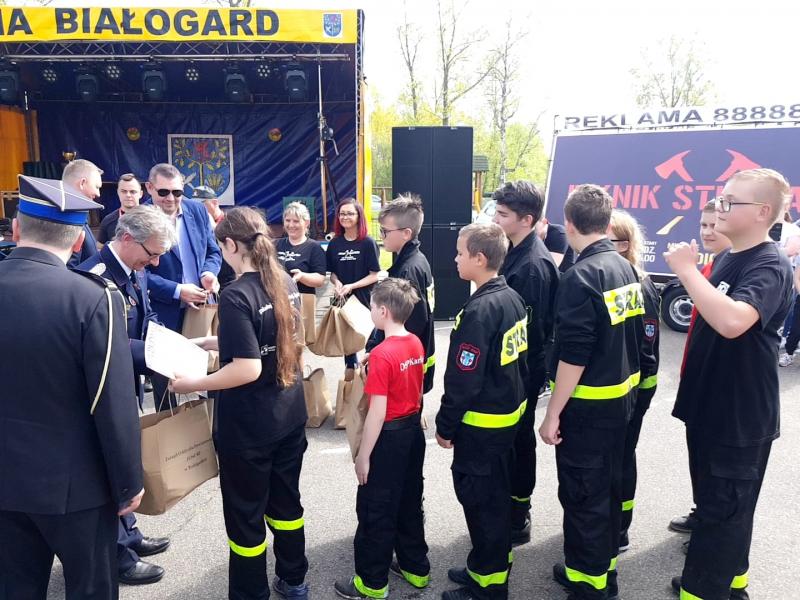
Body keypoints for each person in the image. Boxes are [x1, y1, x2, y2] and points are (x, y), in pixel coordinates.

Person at [0, 174, 144, 599]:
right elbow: (112, 402)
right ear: (79, 241)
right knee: (91, 589)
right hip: (77, 485)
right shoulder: (94, 298)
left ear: (17, 229)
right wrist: (128, 481)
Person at [665, 169, 794, 600]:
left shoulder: (769, 264)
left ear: (762, 213)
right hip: (711, 407)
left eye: (729, 202)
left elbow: (734, 321)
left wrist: (685, 271)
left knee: (724, 512)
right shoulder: (729, 256)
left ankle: (704, 591)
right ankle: (729, 582)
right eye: (720, 199)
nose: (719, 208)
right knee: (720, 508)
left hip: (739, 417)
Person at [171, 207, 309, 600]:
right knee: (286, 503)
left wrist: (190, 384)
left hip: (250, 427)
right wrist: (208, 342)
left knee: (246, 515)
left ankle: (251, 592)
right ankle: (294, 579)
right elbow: (273, 337)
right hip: (289, 413)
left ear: (231, 245)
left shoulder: (235, 295)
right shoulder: (283, 281)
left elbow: (247, 368)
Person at [540, 184, 643, 600]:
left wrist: (552, 415)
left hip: (589, 407)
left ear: (568, 224)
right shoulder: (624, 268)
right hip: (620, 401)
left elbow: (574, 354)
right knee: (606, 491)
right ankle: (600, 572)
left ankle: (588, 585)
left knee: (583, 497)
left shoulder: (581, 274)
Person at [78, 206, 176, 586]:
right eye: (150, 254)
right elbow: (110, 345)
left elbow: (146, 320)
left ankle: (130, 534)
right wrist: (157, 357)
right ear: (126, 238)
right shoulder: (93, 278)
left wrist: (172, 344)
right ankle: (118, 554)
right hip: (102, 392)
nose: (153, 263)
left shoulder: (136, 272)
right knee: (107, 469)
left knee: (123, 460)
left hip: (126, 385)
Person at [436, 223, 529, 600]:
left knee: (482, 505)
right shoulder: (510, 298)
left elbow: (464, 380)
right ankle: (484, 564)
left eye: (460, 253)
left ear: (479, 258)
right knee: (495, 501)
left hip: (482, 428)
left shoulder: (480, 310)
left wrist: (445, 425)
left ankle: (488, 586)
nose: (454, 259)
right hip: (505, 422)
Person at [335, 278, 430, 600]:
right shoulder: (415, 343)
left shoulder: (382, 354)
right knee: (409, 500)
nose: (370, 310)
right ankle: (416, 567)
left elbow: (377, 412)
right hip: (412, 432)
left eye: (373, 306)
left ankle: (371, 583)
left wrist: (363, 456)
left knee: (376, 508)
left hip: (388, 437)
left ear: (384, 311)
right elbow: (414, 385)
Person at [492, 181, 559, 546]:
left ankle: (518, 514)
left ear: (527, 219)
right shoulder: (514, 251)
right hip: (515, 369)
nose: (495, 219)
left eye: (503, 215)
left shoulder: (531, 266)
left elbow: (524, 334)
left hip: (522, 372)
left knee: (518, 441)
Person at [669, 198, 731, 537]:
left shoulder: (726, 268)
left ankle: (708, 525)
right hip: (696, 376)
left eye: (715, 224)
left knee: (712, 461)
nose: (708, 231)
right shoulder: (711, 266)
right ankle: (701, 511)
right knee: (698, 453)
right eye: (704, 225)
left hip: (717, 387)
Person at [608, 210, 660, 554]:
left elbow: (646, 345)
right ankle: (607, 521)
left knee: (623, 455)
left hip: (635, 386)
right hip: (621, 384)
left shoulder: (640, 284)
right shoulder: (610, 278)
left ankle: (620, 528)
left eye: (606, 241)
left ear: (625, 245)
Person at [365, 195, 436, 394]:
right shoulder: (416, 261)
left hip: (404, 363)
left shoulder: (408, 271)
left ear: (406, 233)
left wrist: (378, 349)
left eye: (385, 231)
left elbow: (410, 323)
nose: (381, 236)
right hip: (412, 359)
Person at [144, 163, 222, 332]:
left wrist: (208, 273)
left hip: (201, 309)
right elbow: (137, 272)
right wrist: (177, 291)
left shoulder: (198, 210)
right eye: (163, 192)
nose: (171, 198)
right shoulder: (138, 219)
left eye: (177, 192)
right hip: (161, 313)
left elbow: (213, 251)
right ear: (149, 188)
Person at [326, 198, 380, 368]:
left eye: (350, 213)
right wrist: (337, 283)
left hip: (364, 299)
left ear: (359, 216)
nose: (345, 217)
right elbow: (331, 273)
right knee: (348, 345)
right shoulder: (334, 243)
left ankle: (370, 374)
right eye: (342, 213)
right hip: (342, 298)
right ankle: (351, 379)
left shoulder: (367, 243)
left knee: (369, 339)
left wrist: (352, 285)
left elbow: (375, 275)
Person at [276, 202, 327, 344]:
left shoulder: (314, 248)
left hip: (302, 301)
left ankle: (299, 368)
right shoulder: (276, 244)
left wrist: (302, 276)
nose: (291, 225)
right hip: (277, 299)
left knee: (297, 345)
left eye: (296, 221)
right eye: (288, 220)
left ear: (306, 223)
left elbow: (320, 279)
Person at [63, 158, 103, 268]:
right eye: (97, 187)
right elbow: (69, 270)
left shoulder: (74, 214)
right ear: (82, 183)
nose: (98, 194)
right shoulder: (69, 220)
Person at [97, 173, 144, 245]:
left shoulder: (150, 219)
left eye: (132, 192)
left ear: (141, 194)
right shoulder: (108, 220)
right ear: (118, 192)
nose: (128, 195)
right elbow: (100, 248)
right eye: (124, 191)